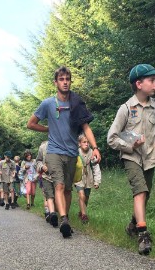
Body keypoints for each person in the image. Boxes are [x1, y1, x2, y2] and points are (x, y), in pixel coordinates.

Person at [27, 66, 101, 238]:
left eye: (67, 79)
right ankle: (64, 219)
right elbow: (30, 124)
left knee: (68, 189)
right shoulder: (48, 104)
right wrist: (48, 129)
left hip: (72, 153)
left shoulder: (76, 103)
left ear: (70, 81)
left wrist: (95, 148)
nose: (65, 82)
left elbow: (86, 127)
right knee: (59, 185)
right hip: (53, 152)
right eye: (61, 79)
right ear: (55, 82)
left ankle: (64, 220)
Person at [107, 63, 155, 255]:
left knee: (145, 194)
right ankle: (143, 235)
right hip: (131, 157)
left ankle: (132, 225)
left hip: (150, 157)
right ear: (139, 84)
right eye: (152, 80)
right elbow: (112, 138)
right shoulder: (125, 109)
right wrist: (130, 146)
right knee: (140, 192)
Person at [74, 133, 102, 223]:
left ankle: (81, 212)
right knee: (81, 195)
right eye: (84, 142)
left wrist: (97, 181)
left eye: (88, 142)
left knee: (86, 197)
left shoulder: (92, 153)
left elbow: (96, 167)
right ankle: (84, 216)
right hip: (78, 177)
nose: (86, 144)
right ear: (79, 143)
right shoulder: (76, 152)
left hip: (88, 178)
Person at [35, 140, 58, 226]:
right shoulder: (43, 147)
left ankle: (56, 213)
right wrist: (42, 166)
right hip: (46, 177)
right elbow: (38, 161)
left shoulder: (61, 144)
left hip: (58, 177)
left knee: (57, 196)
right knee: (49, 196)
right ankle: (52, 214)